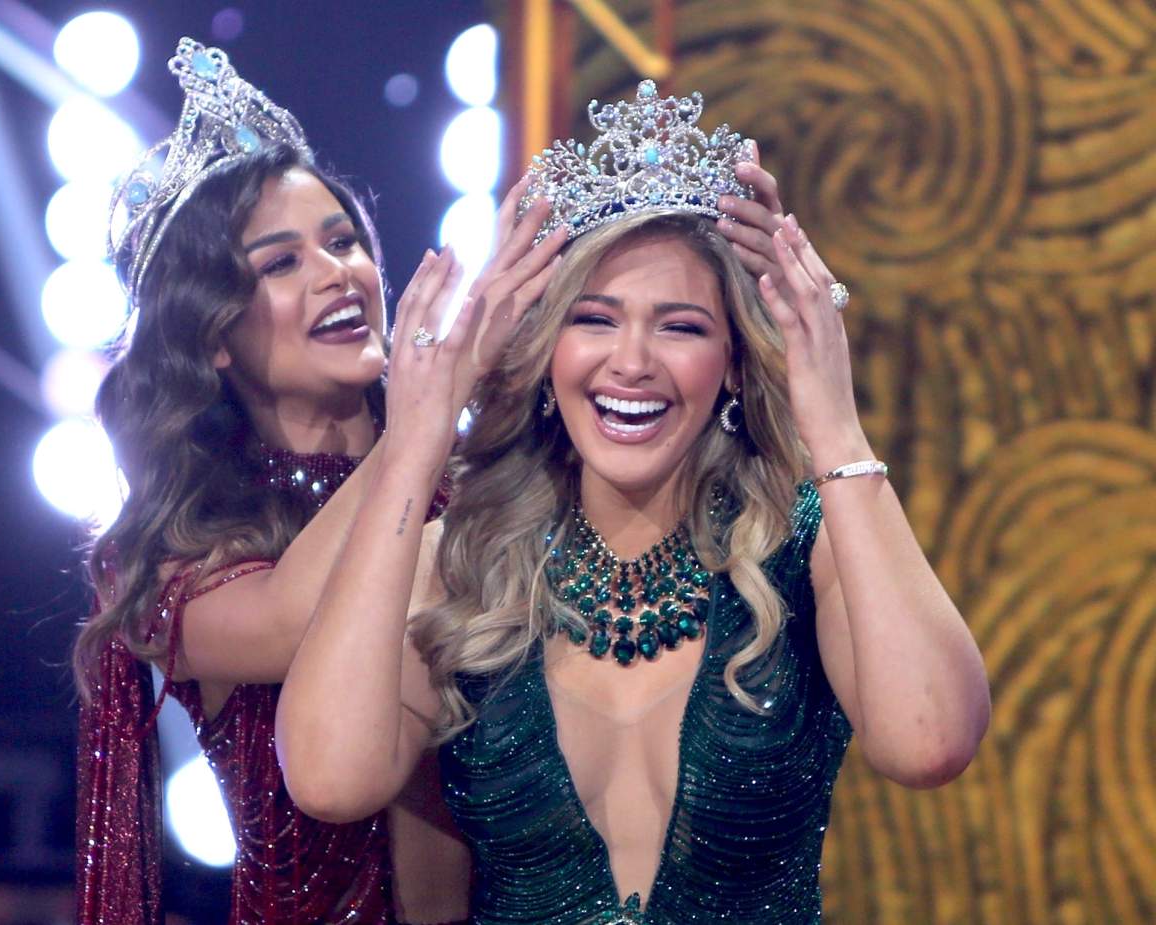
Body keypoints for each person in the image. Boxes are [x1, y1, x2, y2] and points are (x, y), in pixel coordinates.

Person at [277, 81, 990, 924]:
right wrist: (414, 443)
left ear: (732, 362)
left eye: (681, 326)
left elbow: (931, 743)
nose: (633, 361)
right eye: (595, 319)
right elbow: (329, 777)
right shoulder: (462, 558)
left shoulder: (803, 549)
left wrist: (833, 423)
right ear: (546, 353)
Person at [71, 37, 560, 925]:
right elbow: (305, 619)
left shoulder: (479, 475)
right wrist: (428, 416)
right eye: (281, 263)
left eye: (342, 242)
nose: (337, 273)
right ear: (213, 335)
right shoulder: (169, 558)